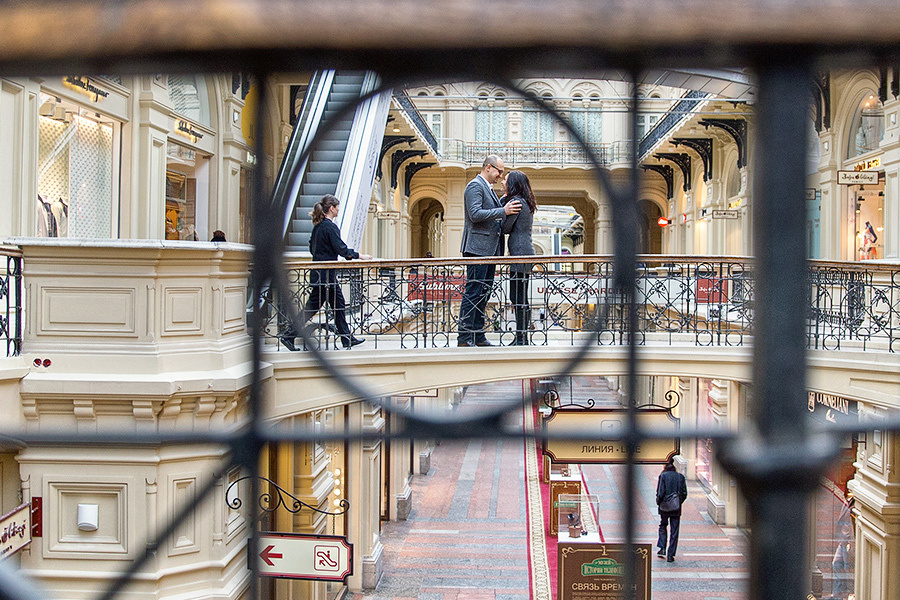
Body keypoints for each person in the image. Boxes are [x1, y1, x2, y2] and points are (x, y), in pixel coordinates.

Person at [280, 194, 372, 351]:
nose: (338, 210)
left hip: (320, 274)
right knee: (321, 307)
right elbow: (340, 248)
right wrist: (360, 256)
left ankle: (346, 338)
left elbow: (312, 248)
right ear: (331, 208)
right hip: (326, 276)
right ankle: (289, 336)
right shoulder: (329, 227)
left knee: (332, 305)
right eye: (337, 207)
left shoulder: (318, 227)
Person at [456, 155, 521, 347]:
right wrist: (504, 211)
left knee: (484, 292)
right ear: (488, 168)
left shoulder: (487, 188)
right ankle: (464, 337)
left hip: (488, 250)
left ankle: (478, 335)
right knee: (474, 292)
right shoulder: (475, 186)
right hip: (477, 249)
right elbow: (475, 214)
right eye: (499, 171)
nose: (501, 176)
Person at [501, 170, 536, 346]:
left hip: (521, 254)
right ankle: (522, 336)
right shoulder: (523, 201)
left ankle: (521, 337)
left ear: (513, 183)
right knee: (519, 297)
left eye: (505, 180)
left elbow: (505, 228)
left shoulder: (516, 203)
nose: (502, 182)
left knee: (518, 297)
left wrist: (501, 205)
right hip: (523, 253)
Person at [656, 457, 687, 562]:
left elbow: (660, 493)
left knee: (663, 525)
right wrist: (678, 502)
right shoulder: (680, 477)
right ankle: (671, 554)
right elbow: (684, 493)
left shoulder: (663, 476)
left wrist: (659, 502)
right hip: (676, 508)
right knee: (674, 530)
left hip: (664, 507)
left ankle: (662, 547)